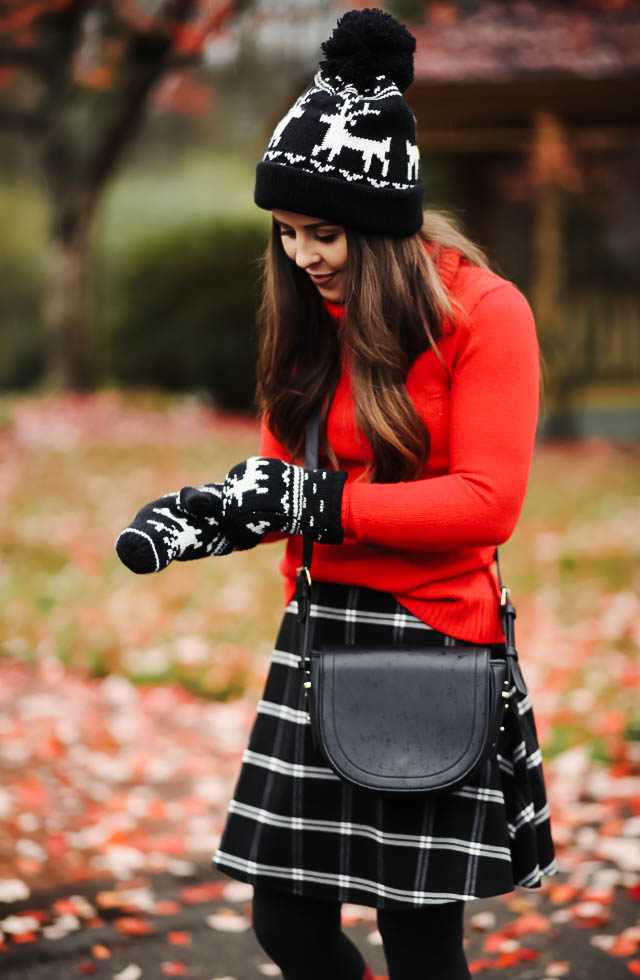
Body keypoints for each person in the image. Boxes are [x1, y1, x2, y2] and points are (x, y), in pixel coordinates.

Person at [115, 8, 558, 979]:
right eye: (286, 232)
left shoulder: (485, 314)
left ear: (386, 225)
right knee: (288, 922)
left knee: (418, 937)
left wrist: (324, 506)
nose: (304, 254)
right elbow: (283, 481)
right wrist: (215, 511)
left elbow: (486, 501)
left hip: (433, 644)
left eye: (325, 231)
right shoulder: (308, 315)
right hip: (322, 635)